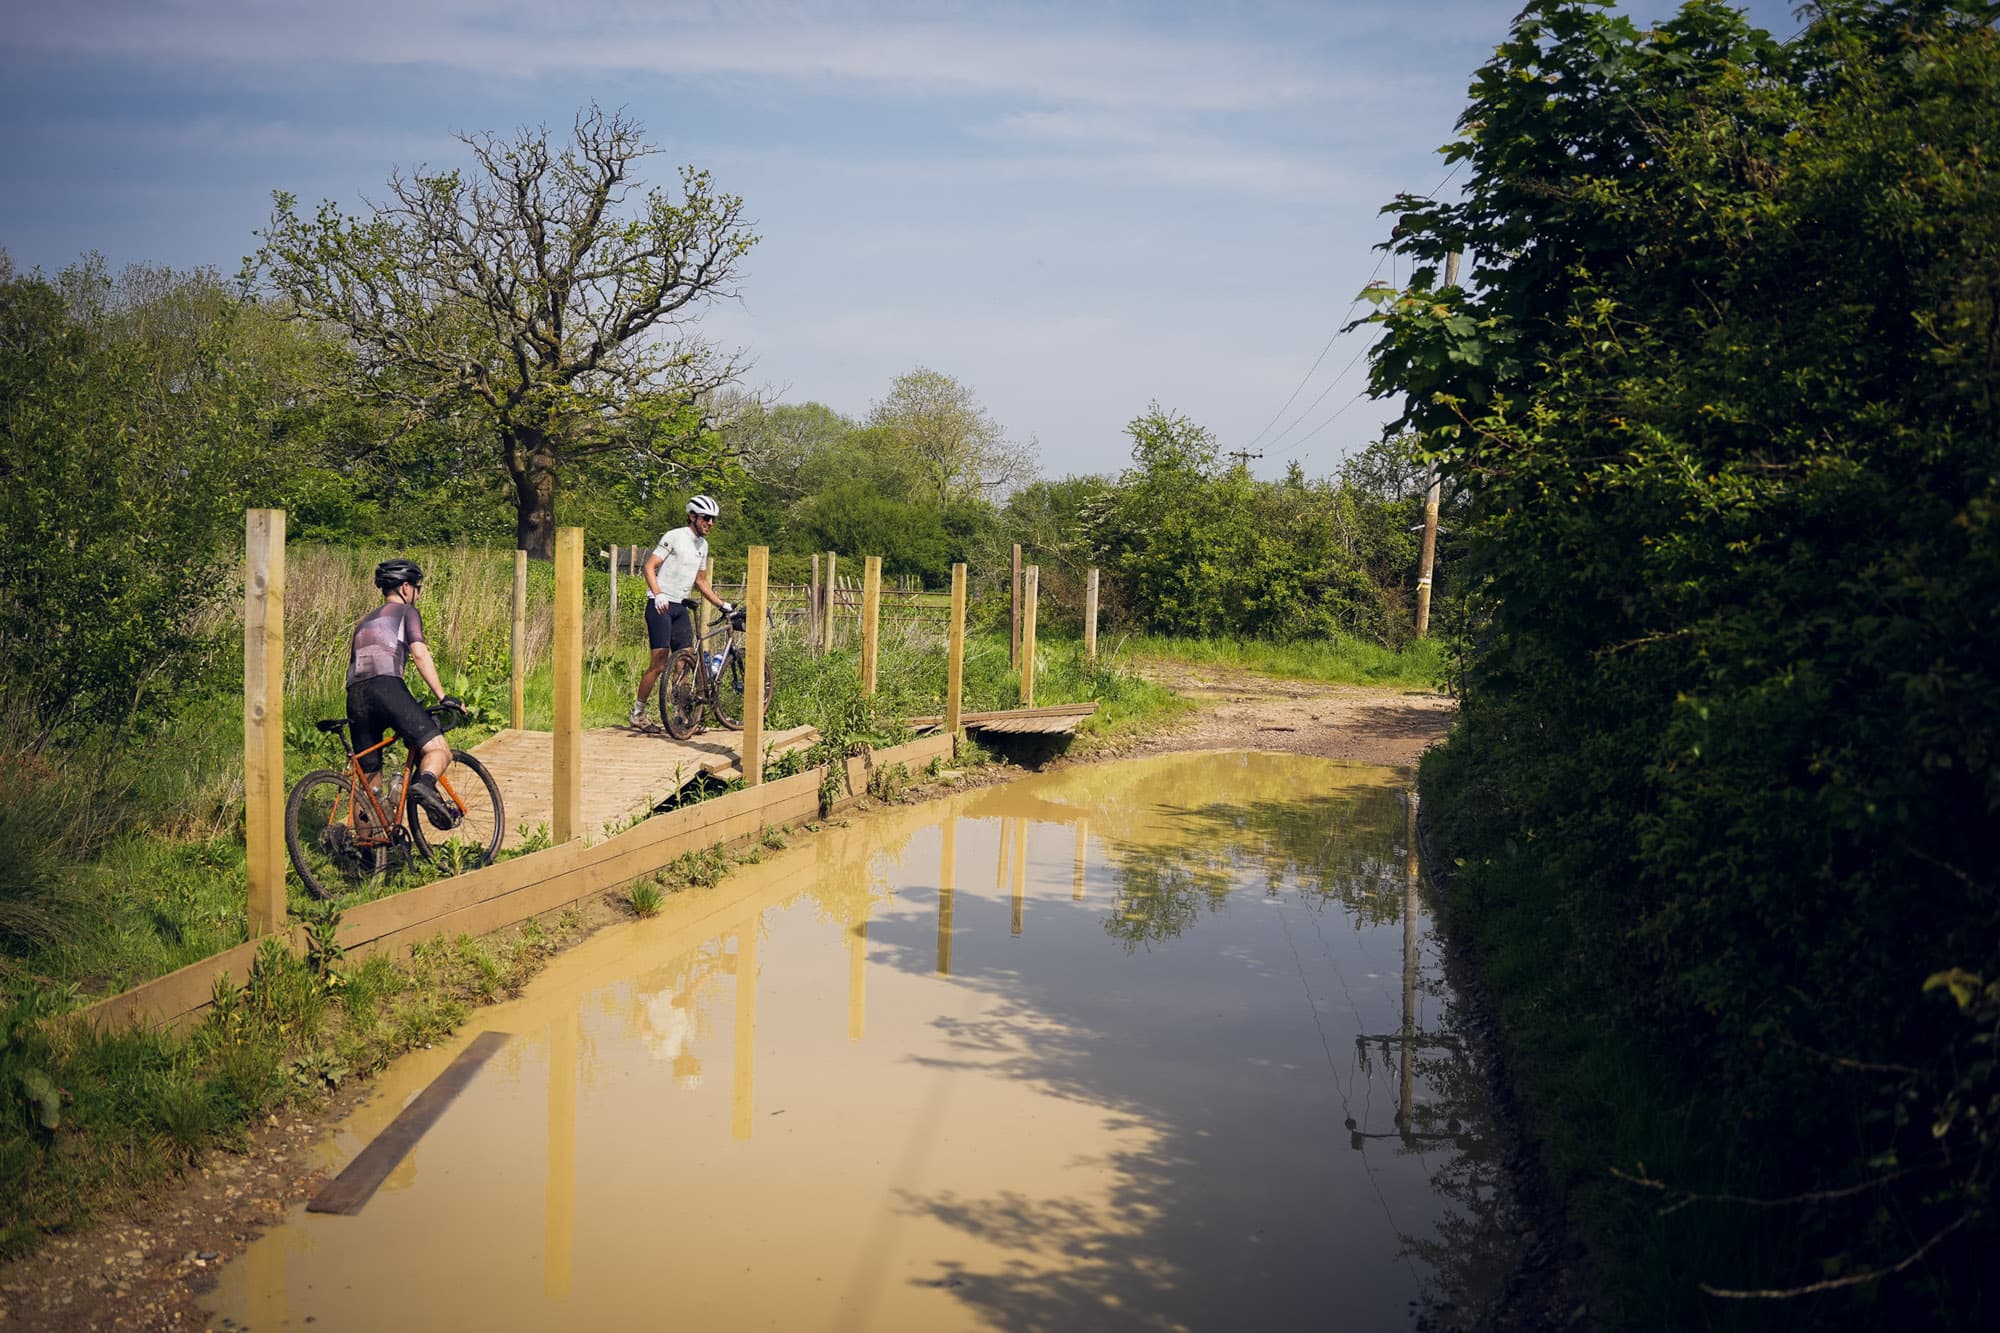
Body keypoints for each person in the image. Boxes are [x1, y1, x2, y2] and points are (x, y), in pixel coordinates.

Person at [347, 558, 463, 828]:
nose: (418, 594)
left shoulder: (364, 621)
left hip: (355, 695)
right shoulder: (406, 612)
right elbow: (419, 653)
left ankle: (367, 853)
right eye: (417, 587)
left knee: (369, 781)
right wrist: (442, 696)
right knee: (438, 748)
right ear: (406, 588)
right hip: (386, 687)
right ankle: (424, 786)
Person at [631, 495, 733, 728]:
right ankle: (637, 713)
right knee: (658, 663)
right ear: (692, 516)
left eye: (713, 519)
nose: (710, 523)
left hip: (681, 606)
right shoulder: (674, 536)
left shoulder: (703, 546)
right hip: (660, 605)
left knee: (685, 662)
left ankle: (682, 716)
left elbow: (701, 582)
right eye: (706, 518)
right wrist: (657, 593)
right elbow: (649, 566)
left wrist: (722, 604)